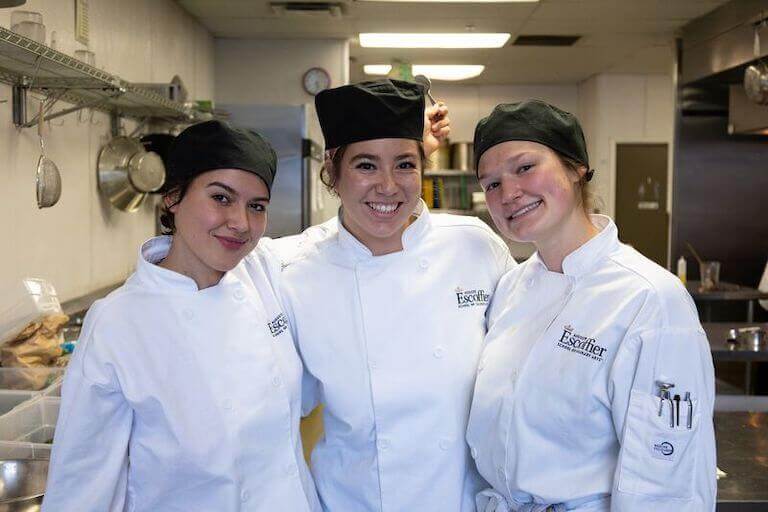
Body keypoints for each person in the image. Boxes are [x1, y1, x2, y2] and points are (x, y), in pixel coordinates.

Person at [42, 121, 321, 512]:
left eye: (256, 206)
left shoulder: (262, 271)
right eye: (221, 198)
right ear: (173, 197)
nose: (241, 222)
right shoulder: (119, 322)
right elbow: (83, 481)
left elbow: (346, 237)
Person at [265, 79, 515, 511]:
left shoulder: (475, 246)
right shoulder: (292, 268)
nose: (387, 186)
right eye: (365, 166)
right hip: (353, 499)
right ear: (332, 170)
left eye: (404, 165)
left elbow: (523, 363)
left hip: (463, 499)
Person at [466, 100, 716, 512]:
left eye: (524, 167)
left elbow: (665, 482)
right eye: (491, 183)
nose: (508, 193)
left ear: (576, 166)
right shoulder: (511, 288)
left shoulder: (649, 300)